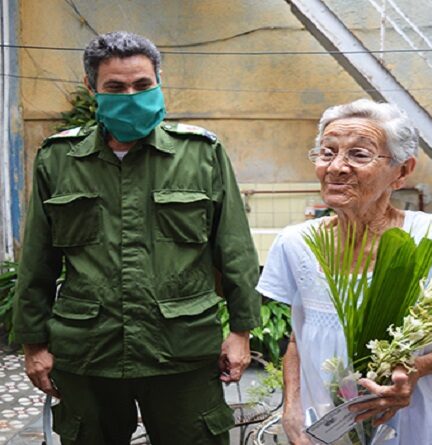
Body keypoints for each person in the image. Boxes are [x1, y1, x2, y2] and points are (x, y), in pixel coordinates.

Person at [13, 31, 261, 445]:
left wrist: (241, 331)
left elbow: (234, 249)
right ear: (93, 88)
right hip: (89, 354)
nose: (131, 94)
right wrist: (33, 344)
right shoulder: (58, 159)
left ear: (159, 81)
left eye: (142, 85)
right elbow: (37, 260)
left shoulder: (200, 154)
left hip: (181, 352)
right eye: (116, 87)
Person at [256, 99, 432, 445]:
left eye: (359, 155)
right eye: (327, 152)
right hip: (330, 426)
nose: (336, 167)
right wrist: (291, 408)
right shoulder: (296, 243)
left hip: (422, 422)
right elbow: (298, 337)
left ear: (402, 171)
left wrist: (415, 369)